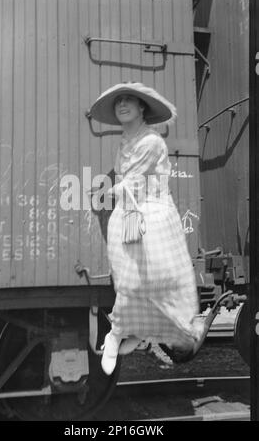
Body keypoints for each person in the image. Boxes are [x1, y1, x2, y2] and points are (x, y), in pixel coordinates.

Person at [90, 82, 205, 376]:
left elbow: (134, 181)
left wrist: (105, 191)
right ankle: (116, 335)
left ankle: (135, 333)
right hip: (129, 214)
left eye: (129, 100)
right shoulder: (124, 142)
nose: (122, 104)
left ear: (142, 107)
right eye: (118, 102)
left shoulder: (152, 142)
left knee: (160, 280)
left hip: (153, 215)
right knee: (129, 281)